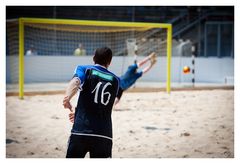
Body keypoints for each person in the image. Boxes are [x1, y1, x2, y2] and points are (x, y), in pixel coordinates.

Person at [63, 47, 119, 158]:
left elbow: (76, 81)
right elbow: (105, 105)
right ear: (110, 62)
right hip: (104, 133)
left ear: (93, 58)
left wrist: (67, 97)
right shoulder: (116, 80)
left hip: (81, 129)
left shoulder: (84, 69)